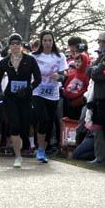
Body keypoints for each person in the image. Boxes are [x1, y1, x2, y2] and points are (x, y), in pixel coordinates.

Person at [0, 33, 41, 168]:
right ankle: (18, 156)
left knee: (24, 127)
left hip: (25, 97)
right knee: (14, 126)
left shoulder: (30, 60)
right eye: (12, 44)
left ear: (21, 46)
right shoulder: (4, 62)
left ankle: (24, 147)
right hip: (10, 97)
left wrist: (29, 88)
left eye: (17, 44)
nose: (15, 46)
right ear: (9, 46)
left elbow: (38, 79)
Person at [31, 30, 68, 163]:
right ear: (41, 42)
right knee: (43, 118)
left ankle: (42, 150)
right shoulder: (34, 56)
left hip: (53, 94)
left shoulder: (59, 56)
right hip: (37, 92)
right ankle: (40, 149)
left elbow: (65, 76)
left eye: (49, 40)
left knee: (49, 122)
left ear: (53, 42)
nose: (47, 43)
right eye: (45, 40)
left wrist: (59, 77)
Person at [62, 53, 90, 120]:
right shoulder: (72, 75)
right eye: (76, 61)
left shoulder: (87, 76)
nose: (77, 63)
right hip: (68, 104)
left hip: (79, 106)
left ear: (84, 62)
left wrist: (79, 100)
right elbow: (66, 88)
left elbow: (87, 90)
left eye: (79, 62)